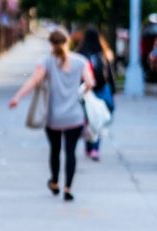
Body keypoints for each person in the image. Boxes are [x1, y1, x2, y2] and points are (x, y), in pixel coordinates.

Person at [9, 28, 94, 201]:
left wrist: (17, 97)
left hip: (53, 117)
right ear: (67, 42)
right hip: (75, 117)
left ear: (51, 44)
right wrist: (81, 92)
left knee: (55, 151)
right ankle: (68, 188)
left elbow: (34, 81)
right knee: (71, 152)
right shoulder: (80, 61)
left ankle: (55, 183)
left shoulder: (46, 62)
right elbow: (90, 82)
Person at [77, 26, 116, 161]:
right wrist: (113, 91)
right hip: (101, 88)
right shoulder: (103, 54)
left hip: (86, 90)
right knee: (98, 118)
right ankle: (95, 148)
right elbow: (110, 74)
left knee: (88, 118)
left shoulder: (80, 54)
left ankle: (88, 146)